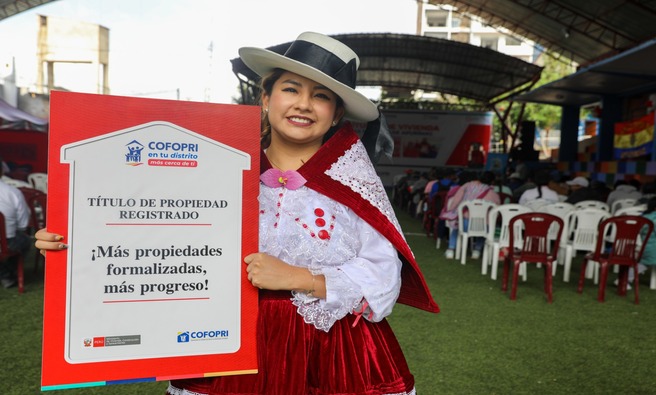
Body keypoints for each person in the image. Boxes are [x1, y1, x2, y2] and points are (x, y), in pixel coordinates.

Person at [35, 32, 439, 395]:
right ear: (265, 98)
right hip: (226, 346)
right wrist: (75, 240)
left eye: (320, 95)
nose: (303, 104)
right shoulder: (217, 171)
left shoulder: (353, 186)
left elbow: (384, 281)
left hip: (333, 356)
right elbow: (154, 237)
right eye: (291, 89)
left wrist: (298, 278)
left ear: (335, 114)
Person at [441, 170, 500, 260]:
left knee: (456, 229)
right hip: (483, 226)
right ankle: (477, 251)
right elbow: (497, 209)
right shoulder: (492, 193)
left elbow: (457, 199)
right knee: (484, 231)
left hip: (465, 222)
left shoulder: (468, 185)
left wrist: (450, 210)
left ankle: (450, 250)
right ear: (492, 181)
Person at [0, 155, 31, 288]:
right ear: (2, 170)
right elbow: (24, 224)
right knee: (25, 240)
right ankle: (5, 274)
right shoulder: (13, 192)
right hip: (7, 242)